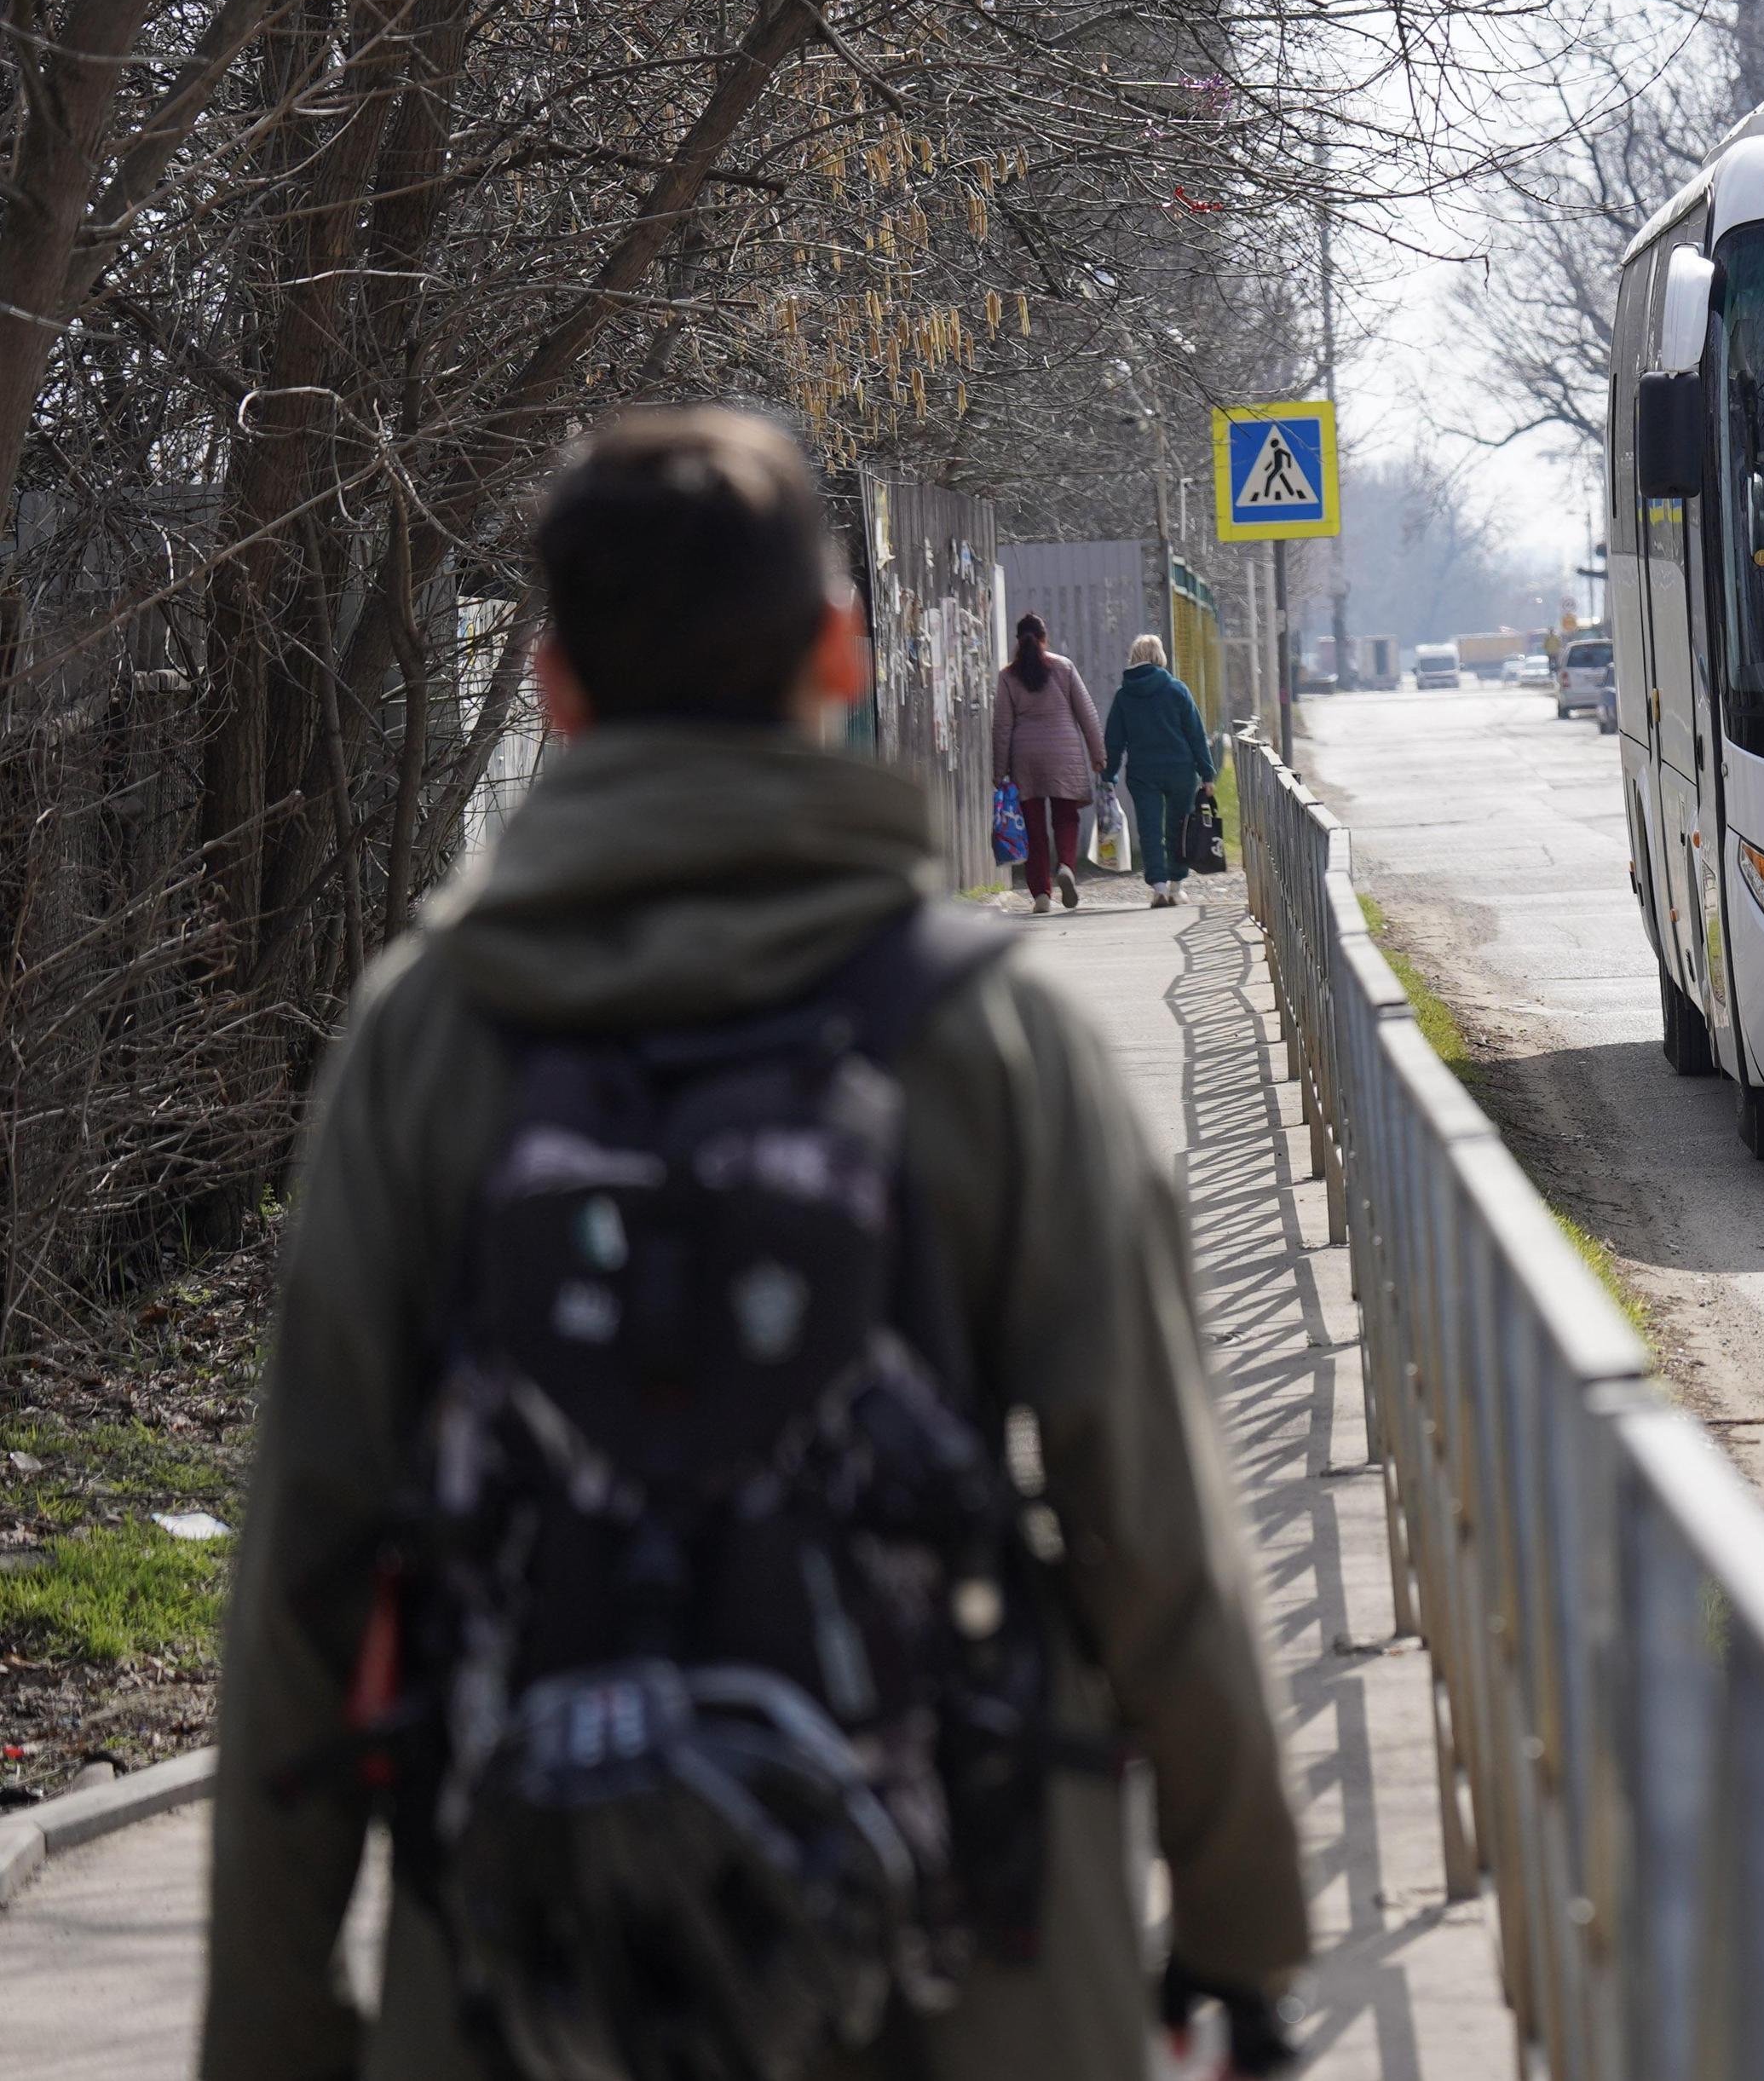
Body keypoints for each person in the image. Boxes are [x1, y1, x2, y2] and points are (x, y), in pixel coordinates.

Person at [205, 405, 1306, 2081]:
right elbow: (1155, 1526)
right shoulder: (995, 1039)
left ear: (556, 689)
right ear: (844, 654)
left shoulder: (421, 1039)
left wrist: (277, 2028)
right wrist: (1239, 1923)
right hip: (975, 1967)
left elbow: (303, 1574)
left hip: (528, 1980)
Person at [992, 614, 1104, 912]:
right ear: (1045, 638)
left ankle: (1041, 893)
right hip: (1063, 752)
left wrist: (999, 769)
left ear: (1018, 641)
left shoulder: (1007, 676)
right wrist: (1098, 754)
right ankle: (1066, 866)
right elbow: (1087, 713)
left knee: (1033, 825)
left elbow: (1002, 726)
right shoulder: (1063, 667)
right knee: (1066, 816)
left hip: (1025, 756)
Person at [1101, 632, 1216, 909]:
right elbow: (1195, 734)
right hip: (1180, 770)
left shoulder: (1123, 696)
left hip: (1143, 773)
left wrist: (1109, 776)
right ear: (1159, 657)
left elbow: (1114, 741)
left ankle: (1159, 888)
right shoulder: (1177, 690)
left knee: (1150, 829)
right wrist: (1207, 772)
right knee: (1179, 826)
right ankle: (1177, 885)